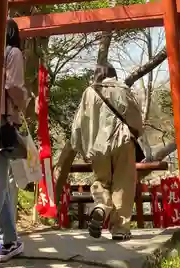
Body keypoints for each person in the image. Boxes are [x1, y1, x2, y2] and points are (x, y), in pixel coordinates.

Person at [71, 63, 144, 241]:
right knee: (123, 184)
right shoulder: (122, 89)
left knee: (101, 181)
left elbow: (78, 124)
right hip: (122, 141)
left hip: (97, 146)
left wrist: (80, 148)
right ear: (113, 74)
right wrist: (136, 132)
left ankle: (101, 207)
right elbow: (135, 118)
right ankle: (119, 229)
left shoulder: (89, 92)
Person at [0, 19, 28, 263]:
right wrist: (25, 100)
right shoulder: (12, 52)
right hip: (2, 124)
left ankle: (8, 239)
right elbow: (14, 86)